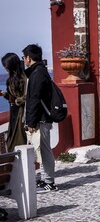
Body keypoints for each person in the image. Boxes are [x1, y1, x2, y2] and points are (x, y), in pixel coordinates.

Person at [22, 44, 57, 192]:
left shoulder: (37, 74)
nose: (24, 60)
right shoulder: (39, 71)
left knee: (44, 150)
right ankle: (45, 179)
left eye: (24, 57)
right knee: (42, 149)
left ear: (29, 58)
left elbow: (34, 99)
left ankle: (50, 182)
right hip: (42, 118)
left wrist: (30, 122)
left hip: (41, 119)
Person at [1, 53, 27, 152]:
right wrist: (5, 94)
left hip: (21, 114)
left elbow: (27, 96)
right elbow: (14, 96)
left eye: (5, 65)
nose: (5, 67)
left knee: (19, 140)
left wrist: (17, 101)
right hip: (14, 113)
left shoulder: (24, 78)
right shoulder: (12, 78)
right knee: (12, 138)